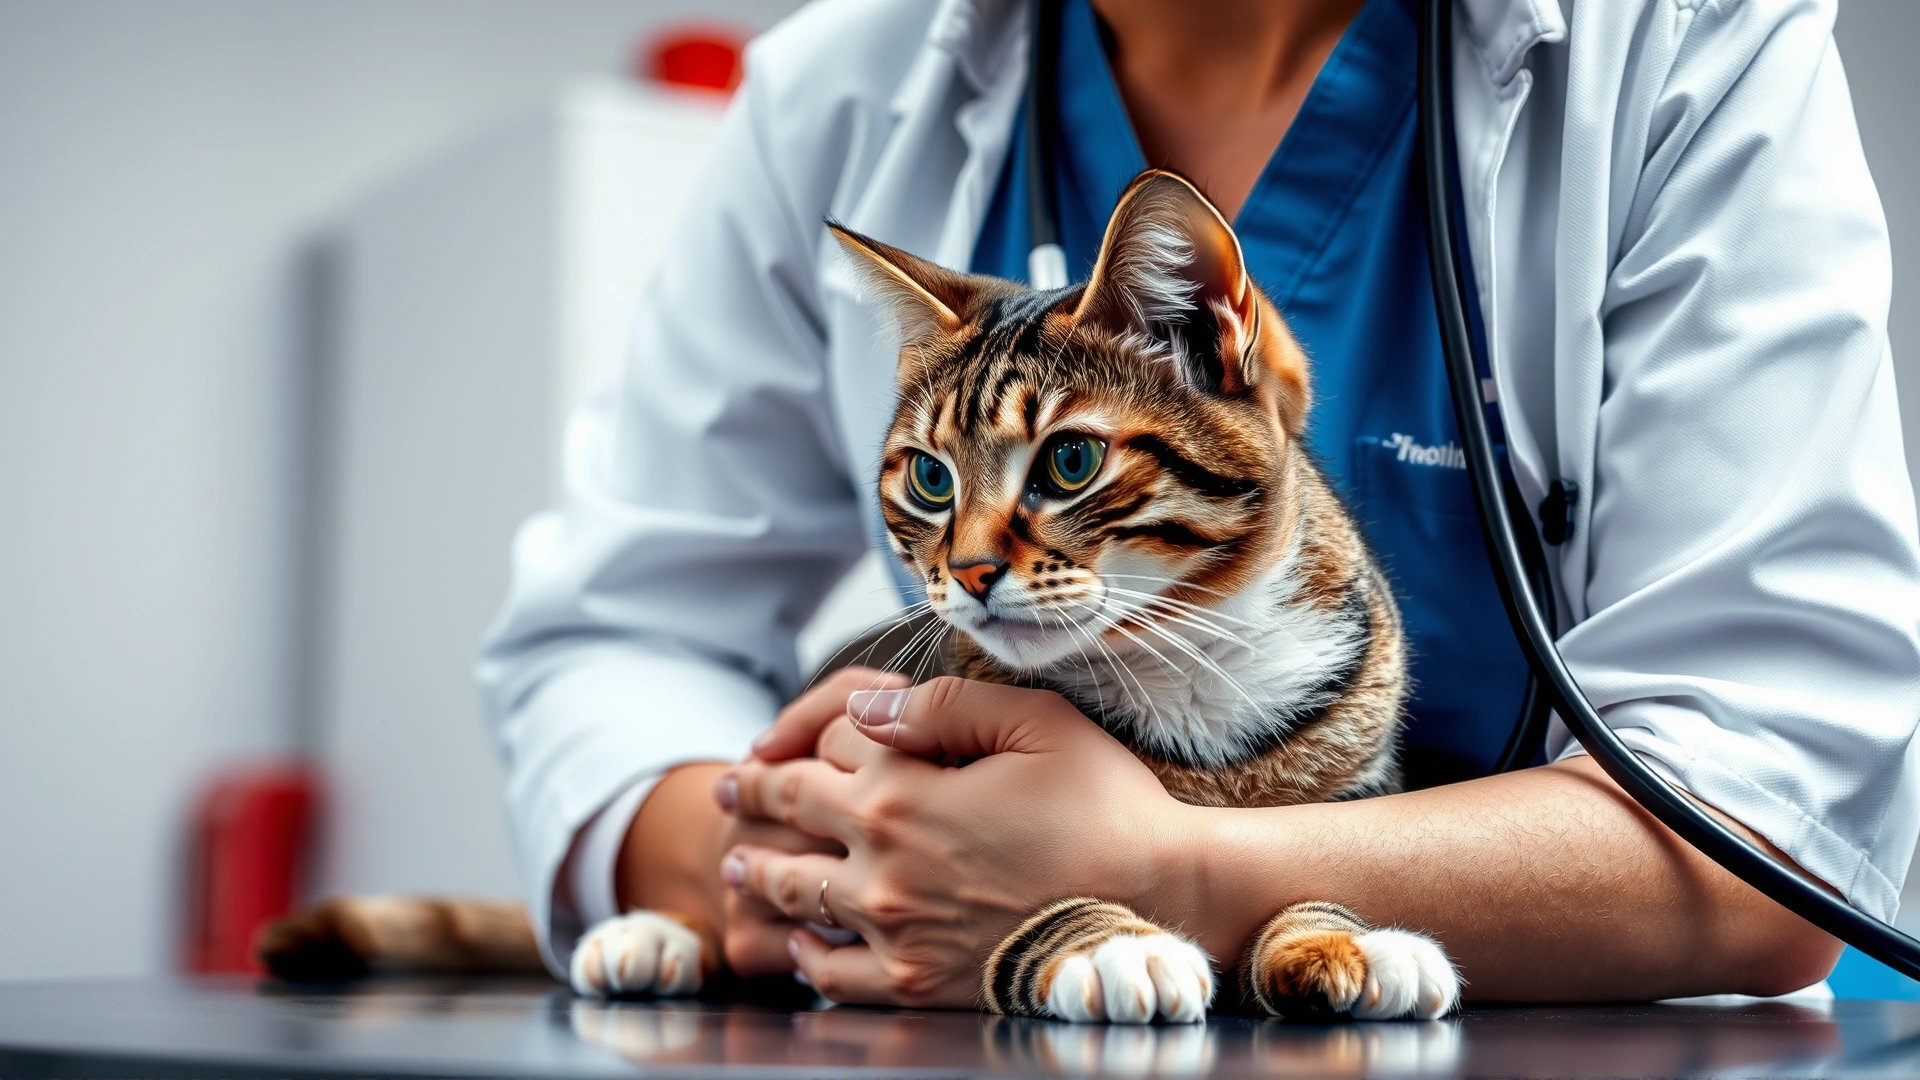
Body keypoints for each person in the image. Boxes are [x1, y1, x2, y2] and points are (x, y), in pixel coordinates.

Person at [477, 0, 1920, 1006]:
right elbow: (611, 634)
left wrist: (1170, 872)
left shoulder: (1683, 39)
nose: (973, 559)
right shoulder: (833, 92)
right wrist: (776, 860)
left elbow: (1770, 824)